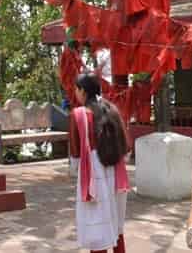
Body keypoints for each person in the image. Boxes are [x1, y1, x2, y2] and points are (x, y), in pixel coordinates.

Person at [69, 73, 128, 253]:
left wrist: (76, 171)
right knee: (116, 225)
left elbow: (75, 153)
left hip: (93, 173)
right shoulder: (112, 110)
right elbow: (126, 147)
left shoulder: (78, 115)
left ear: (83, 91)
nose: (75, 92)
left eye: (76, 89)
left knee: (97, 229)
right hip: (116, 171)